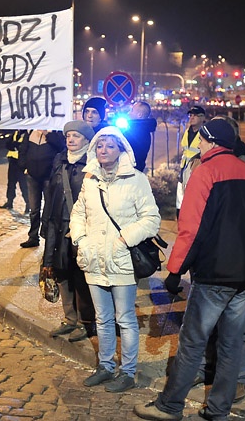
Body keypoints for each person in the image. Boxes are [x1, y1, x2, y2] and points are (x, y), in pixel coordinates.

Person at [135, 118, 245, 421]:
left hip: (214, 273)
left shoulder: (206, 172)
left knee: (193, 342)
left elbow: (191, 228)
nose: (198, 144)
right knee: (230, 344)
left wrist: (175, 271)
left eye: (201, 140)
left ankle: (170, 406)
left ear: (211, 142)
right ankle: (218, 410)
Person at [69, 126, 161, 393]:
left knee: (126, 319)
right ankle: (105, 366)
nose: (104, 150)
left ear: (121, 149)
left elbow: (151, 219)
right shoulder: (90, 180)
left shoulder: (136, 179)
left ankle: (128, 372)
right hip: (94, 258)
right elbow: (78, 213)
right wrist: (80, 240)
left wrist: (123, 241)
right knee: (102, 318)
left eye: (109, 145)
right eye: (99, 146)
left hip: (121, 260)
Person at [41, 120, 96, 343]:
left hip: (80, 227)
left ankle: (86, 322)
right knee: (60, 271)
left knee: (81, 275)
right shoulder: (60, 160)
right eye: (68, 136)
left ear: (86, 140)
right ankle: (69, 319)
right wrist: (46, 223)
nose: (71, 140)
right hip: (57, 222)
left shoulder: (92, 164)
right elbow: (51, 191)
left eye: (76, 136)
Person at [18, 128, 65, 248]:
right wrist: (24, 166)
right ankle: (33, 237)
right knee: (34, 209)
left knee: (48, 209)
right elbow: (23, 150)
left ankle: (47, 236)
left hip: (48, 177)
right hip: (32, 176)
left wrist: (47, 134)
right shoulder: (30, 132)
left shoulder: (56, 133)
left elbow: (61, 147)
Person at [177, 105, 207, 214]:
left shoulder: (205, 134)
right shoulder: (187, 131)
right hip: (184, 169)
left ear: (203, 118)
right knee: (181, 198)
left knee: (195, 200)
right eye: (190, 115)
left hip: (197, 170)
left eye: (195, 115)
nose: (192, 117)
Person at [0, 130, 30, 213]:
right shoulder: (15, 133)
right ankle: (9, 201)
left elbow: (24, 147)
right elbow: (7, 144)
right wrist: (15, 145)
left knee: (24, 185)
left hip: (22, 163)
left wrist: (15, 145)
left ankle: (28, 204)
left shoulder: (28, 134)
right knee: (11, 183)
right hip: (13, 161)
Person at [123, 100, 157, 173]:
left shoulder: (137, 131)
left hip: (130, 171)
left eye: (132, 110)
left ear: (139, 115)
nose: (129, 113)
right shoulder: (142, 129)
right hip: (134, 170)